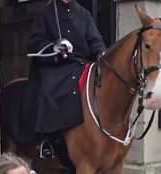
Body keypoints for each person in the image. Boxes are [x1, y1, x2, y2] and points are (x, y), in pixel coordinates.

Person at [21, 0, 107, 158]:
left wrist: (102, 55)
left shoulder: (83, 14)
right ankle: (46, 138)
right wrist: (54, 47)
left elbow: (96, 41)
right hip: (55, 65)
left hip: (80, 64)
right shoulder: (45, 13)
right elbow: (34, 42)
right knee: (48, 90)